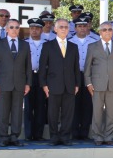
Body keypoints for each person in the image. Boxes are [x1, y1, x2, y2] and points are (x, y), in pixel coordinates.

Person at [0, 19, 32, 147]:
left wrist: (28, 83)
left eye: (17, 27)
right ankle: (3, 137)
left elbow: (28, 66)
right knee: (3, 111)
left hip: (19, 83)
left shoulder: (25, 45)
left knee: (17, 111)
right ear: (7, 29)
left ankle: (14, 136)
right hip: (3, 83)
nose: (14, 29)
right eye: (12, 27)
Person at [39, 18, 80, 146]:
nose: (63, 29)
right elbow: (42, 66)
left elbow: (76, 67)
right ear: (55, 29)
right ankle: (54, 137)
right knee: (53, 113)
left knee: (68, 113)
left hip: (69, 85)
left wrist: (77, 84)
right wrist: (44, 84)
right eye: (61, 27)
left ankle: (65, 136)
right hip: (53, 85)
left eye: (66, 27)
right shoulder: (47, 45)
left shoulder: (73, 46)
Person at [84, 21, 113, 146]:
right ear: (100, 32)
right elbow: (87, 67)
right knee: (97, 112)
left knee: (112, 113)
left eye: (109, 29)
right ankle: (97, 136)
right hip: (97, 84)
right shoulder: (92, 46)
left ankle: (108, 136)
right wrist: (88, 83)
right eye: (104, 30)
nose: (107, 32)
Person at [68, 15, 99, 140]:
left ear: (88, 27)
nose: (82, 28)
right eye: (79, 26)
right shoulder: (69, 41)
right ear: (75, 28)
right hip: (74, 75)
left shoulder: (94, 41)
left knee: (88, 104)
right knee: (74, 104)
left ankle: (85, 132)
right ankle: (75, 132)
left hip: (89, 75)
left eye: (84, 26)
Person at [24, 18, 48, 141]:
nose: (34, 31)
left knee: (40, 106)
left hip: (42, 76)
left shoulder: (47, 43)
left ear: (41, 30)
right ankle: (28, 134)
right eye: (32, 28)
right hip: (28, 76)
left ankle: (38, 134)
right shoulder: (24, 43)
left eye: (37, 28)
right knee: (28, 106)